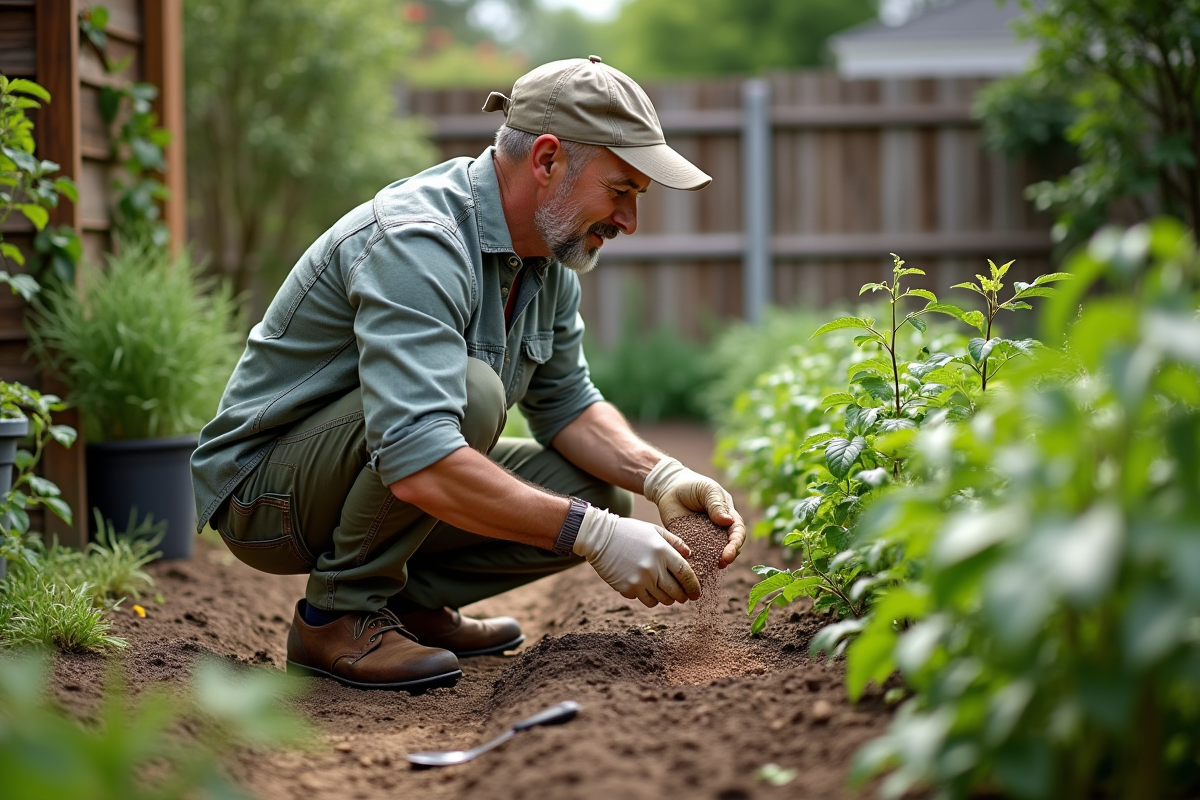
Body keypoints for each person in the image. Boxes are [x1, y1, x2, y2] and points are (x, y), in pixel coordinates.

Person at [191, 56, 746, 692]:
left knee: (597, 489)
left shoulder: (546, 260)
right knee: (473, 396)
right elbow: (419, 454)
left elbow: (567, 403)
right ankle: (337, 618)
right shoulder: (419, 240)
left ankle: (407, 607)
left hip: (363, 472)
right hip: (266, 495)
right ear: (546, 160)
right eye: (620, 191)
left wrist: (662, 476)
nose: (628, 222)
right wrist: (591, 537)